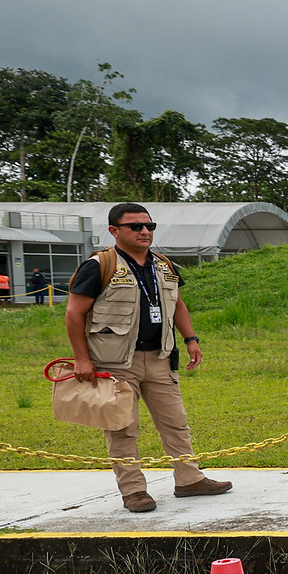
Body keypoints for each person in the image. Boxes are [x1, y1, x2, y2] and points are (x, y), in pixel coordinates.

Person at [63, 203, 234, 513]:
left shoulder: (164, 265)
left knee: (176, 424)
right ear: (114, 231)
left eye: (149, 226)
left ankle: (189, 480)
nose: (145, 231)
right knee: (122, 428)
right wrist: (82, 359)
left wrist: (191, 339)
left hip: (159, 357)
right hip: (116, 363)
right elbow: (74, 314)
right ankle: (134, 492)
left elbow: (178, 305)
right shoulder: (99, 265)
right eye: (136, 226)